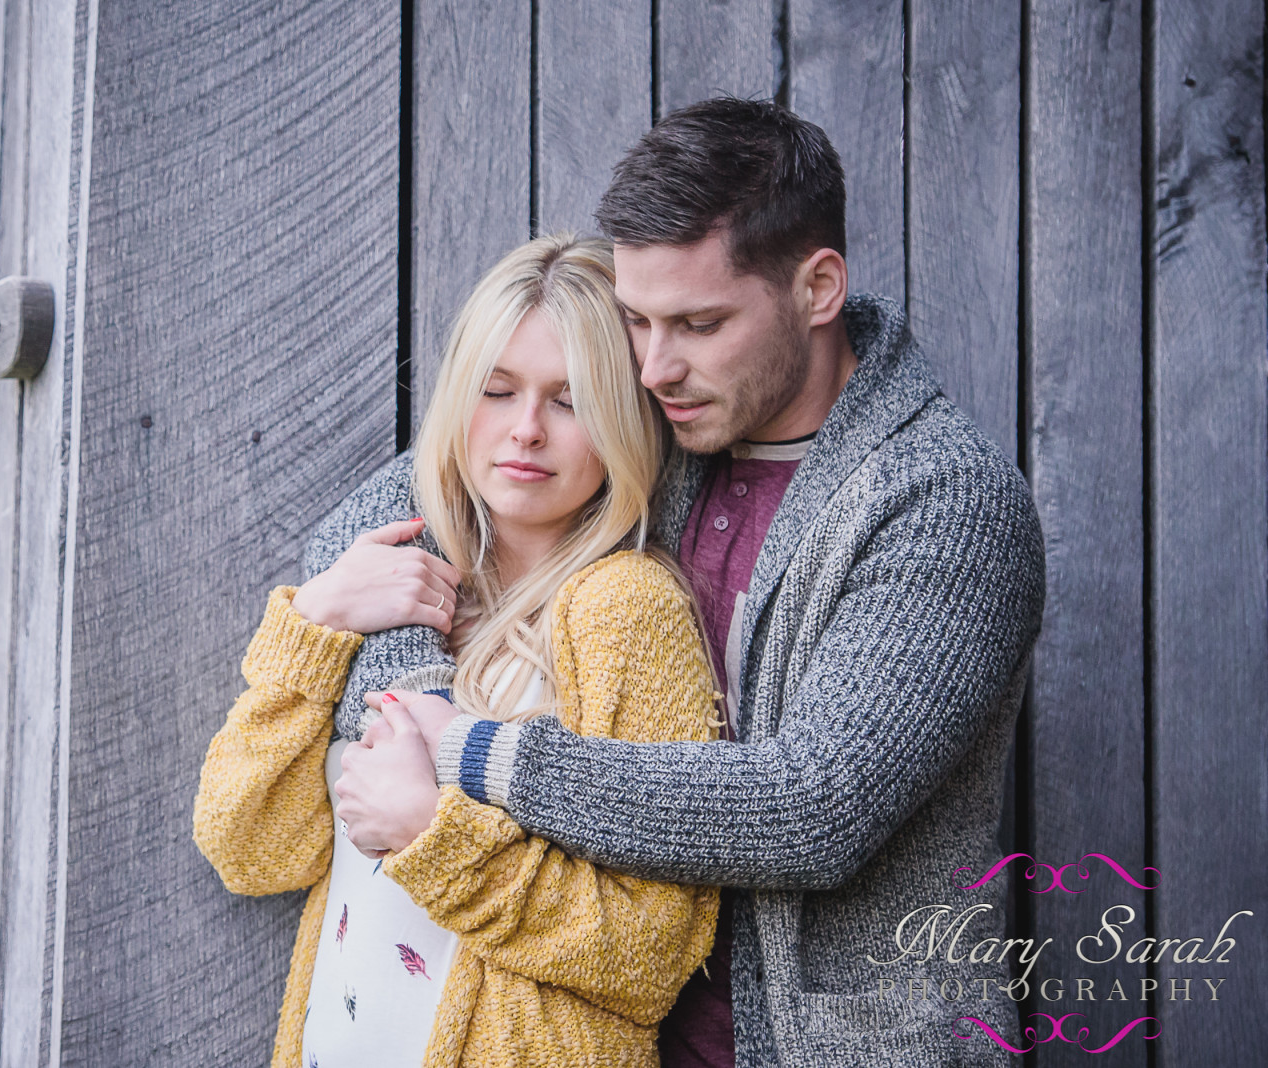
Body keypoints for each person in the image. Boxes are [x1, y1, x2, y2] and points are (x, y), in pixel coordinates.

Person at [314, 98, 1046, 1068]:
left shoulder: (943, 504)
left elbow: (813, 810)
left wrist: (470, 756)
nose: (654, 366)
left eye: (699, 323)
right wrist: (420, 699)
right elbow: (385, 512)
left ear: (817, 286)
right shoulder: (661, 418)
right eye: (636, 321)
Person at [192, 234, 724, 1067]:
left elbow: (653, 951)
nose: (524, 431)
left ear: (623, 416)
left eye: (569, 399)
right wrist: (319, 616)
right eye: (497, 389)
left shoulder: (626, 610)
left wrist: (430, 836)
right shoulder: (391, 603)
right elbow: (250, 847)